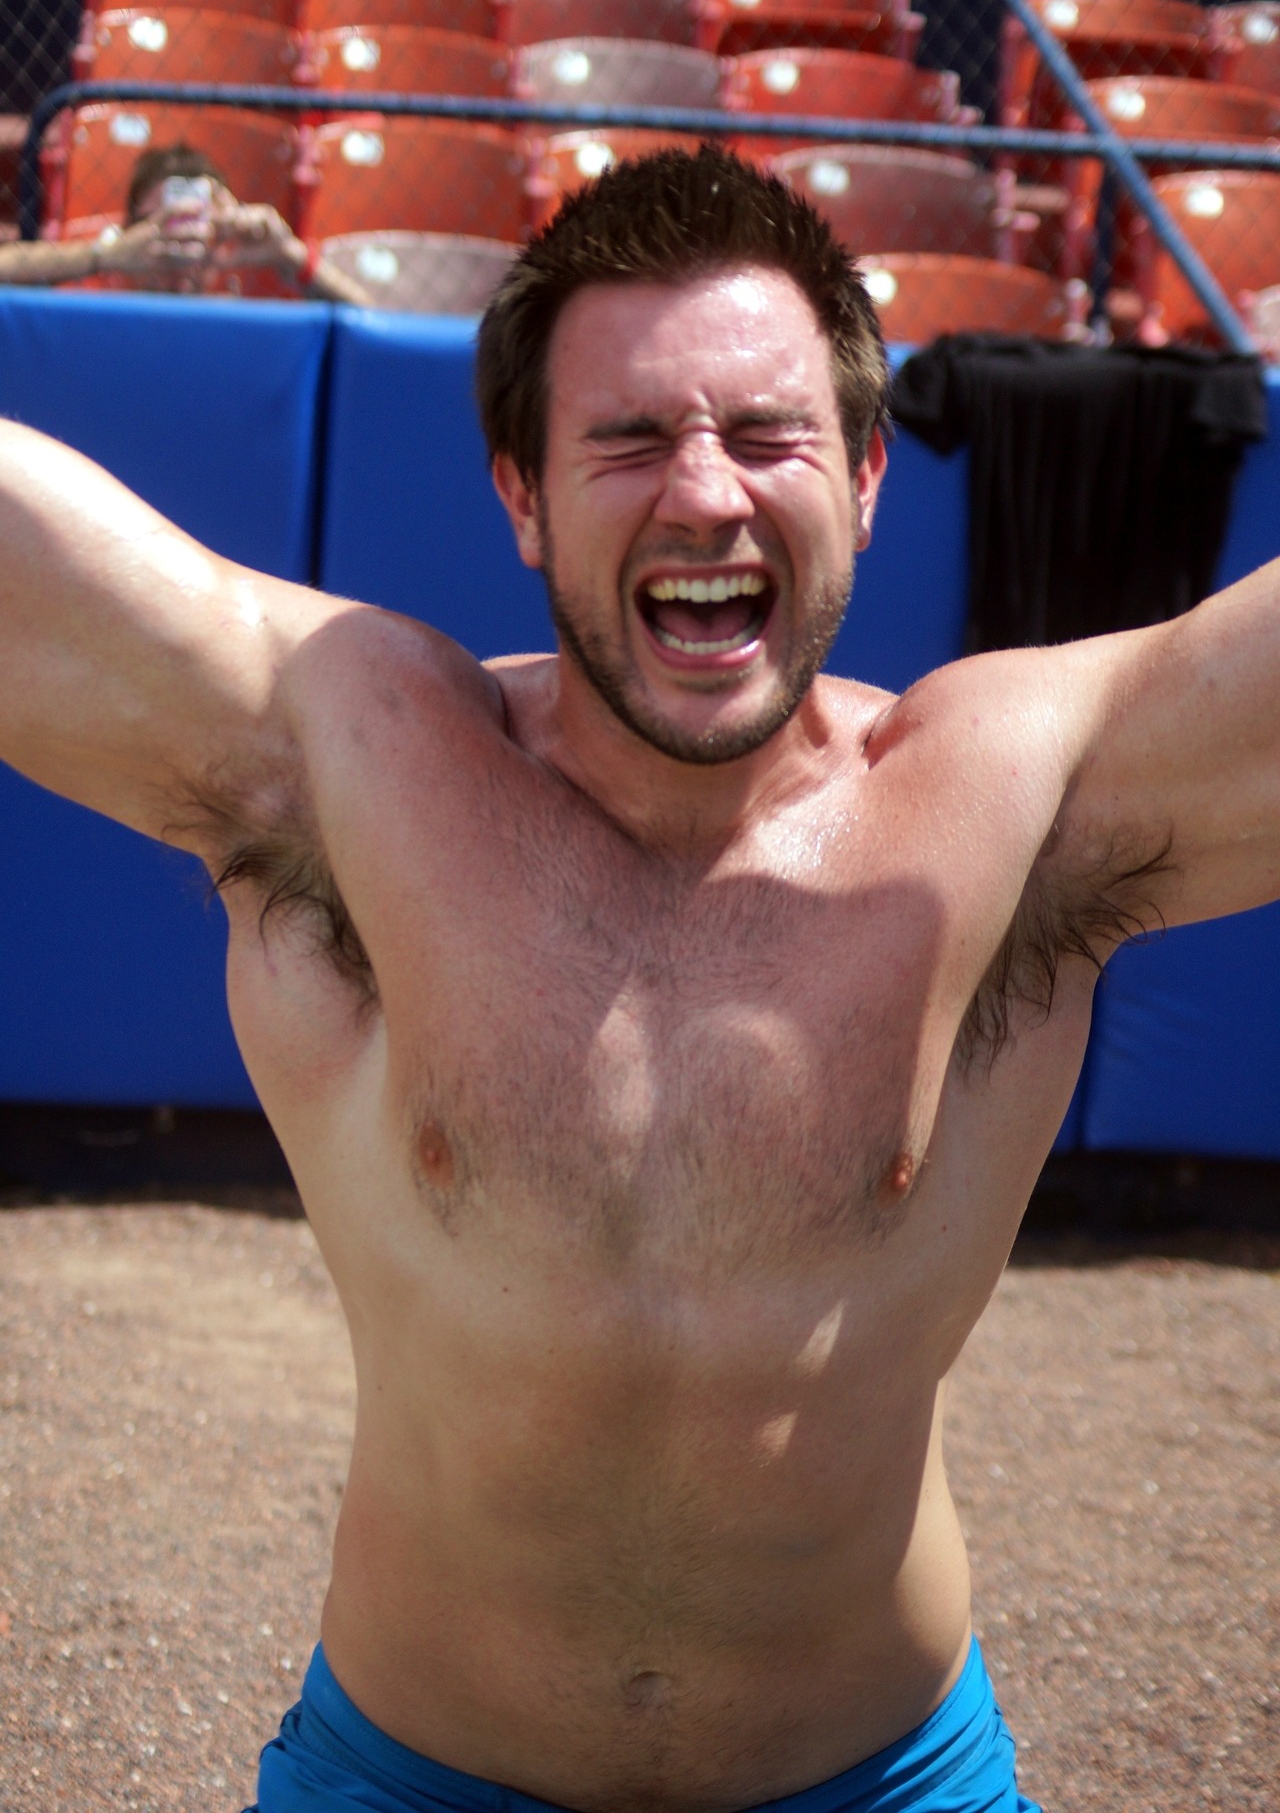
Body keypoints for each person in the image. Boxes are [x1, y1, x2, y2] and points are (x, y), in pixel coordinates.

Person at [0, 143, 1275, 1813]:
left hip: (885, 1777)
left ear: (867, 476)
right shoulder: (349, 766)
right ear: (522, 494)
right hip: (415, 1775)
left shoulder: (1013, 802)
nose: (706, 493)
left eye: (768, 434)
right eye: (628, 438)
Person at [0, 141, 371, 303]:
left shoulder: (245, 314)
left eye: (194, 224)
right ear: (131, 233)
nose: (178, 242)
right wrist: (104, 255)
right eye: (160, 225)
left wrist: (291, 256)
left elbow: (380, 334)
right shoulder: (100, 306)